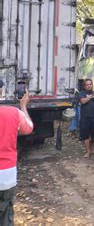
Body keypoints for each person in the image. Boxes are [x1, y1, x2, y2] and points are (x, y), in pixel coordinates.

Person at [0, 81, 34, 226]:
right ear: (1, 91)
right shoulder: (14, 113)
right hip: (7, 174)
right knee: (6, 211)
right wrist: (23, 106)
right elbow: (28, 128)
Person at [78, 79, 94, 158]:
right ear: (84, 86)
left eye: (90, 84)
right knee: (85, 135)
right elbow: (83, 101)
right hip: (85, 117)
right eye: (87, 84)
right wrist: (92, 96)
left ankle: (91, 145)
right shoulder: (81, 93)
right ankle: (88, 151)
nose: (89, 86)